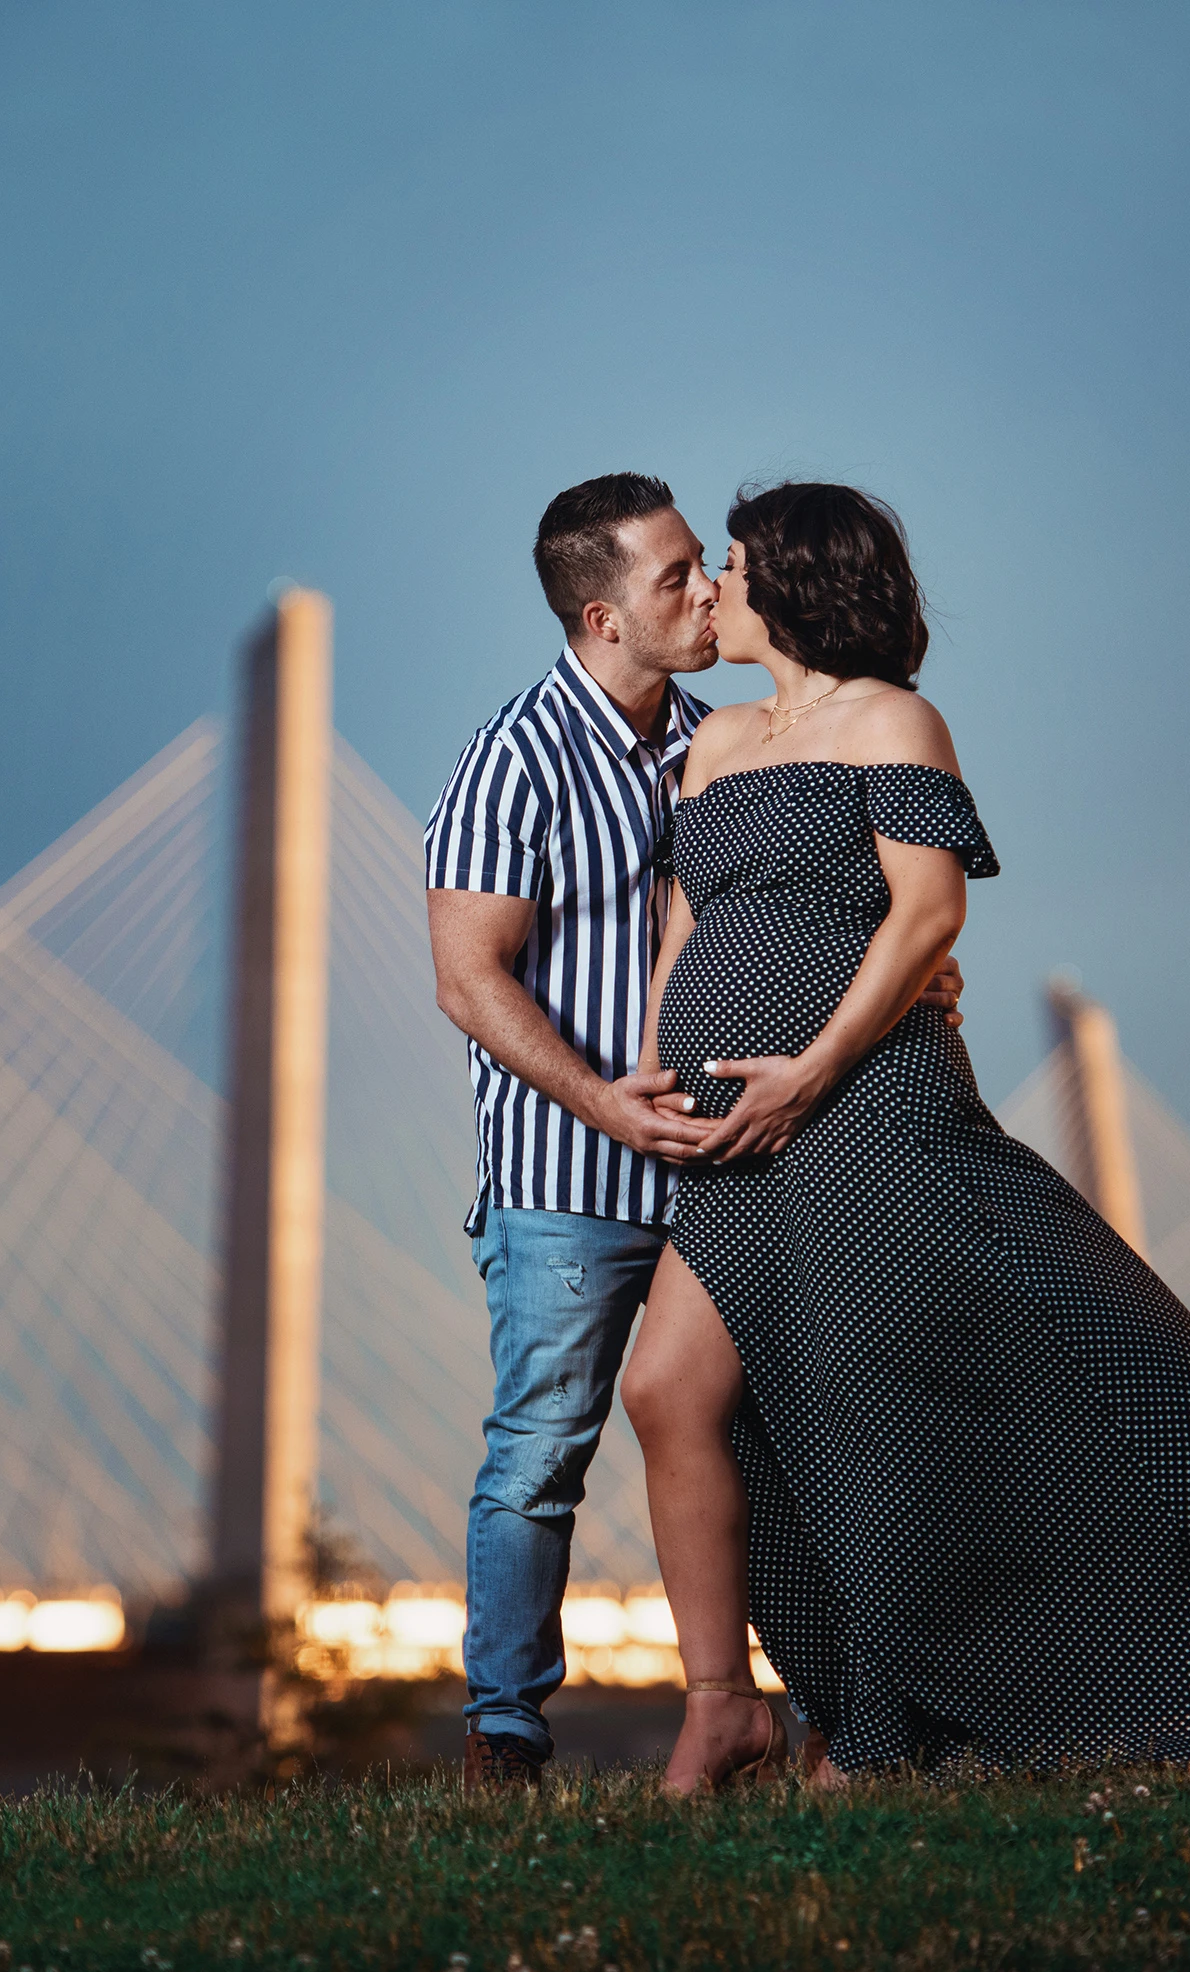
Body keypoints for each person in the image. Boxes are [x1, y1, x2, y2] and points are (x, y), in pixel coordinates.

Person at [618, 480, 1190, 1791]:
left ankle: (888, 1732)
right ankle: (728, 1702)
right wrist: (658, 1075)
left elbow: (926, 917)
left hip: (858, 1114)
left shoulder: (895, 719)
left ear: (791, 577)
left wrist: (813, 1070)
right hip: (727, 1134)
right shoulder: (715, 745)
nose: (711, 590)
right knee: (670, 1388)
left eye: (727, 565)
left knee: (871, 1428)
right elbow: (693, 926)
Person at [423, 472, 964, 1788]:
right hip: (574, 1170)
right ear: (605, 617)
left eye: (706, 565)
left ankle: (828, 1708)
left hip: (748, 1159)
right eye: (677, 577)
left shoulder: (728, 730)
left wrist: (900, 983)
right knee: (548, 1443)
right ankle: (510, 1730)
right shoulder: (519, 754)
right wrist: (608, 1092)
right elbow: (469, 974)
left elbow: (851, 893)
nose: (704, 589)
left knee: (784, 1430)